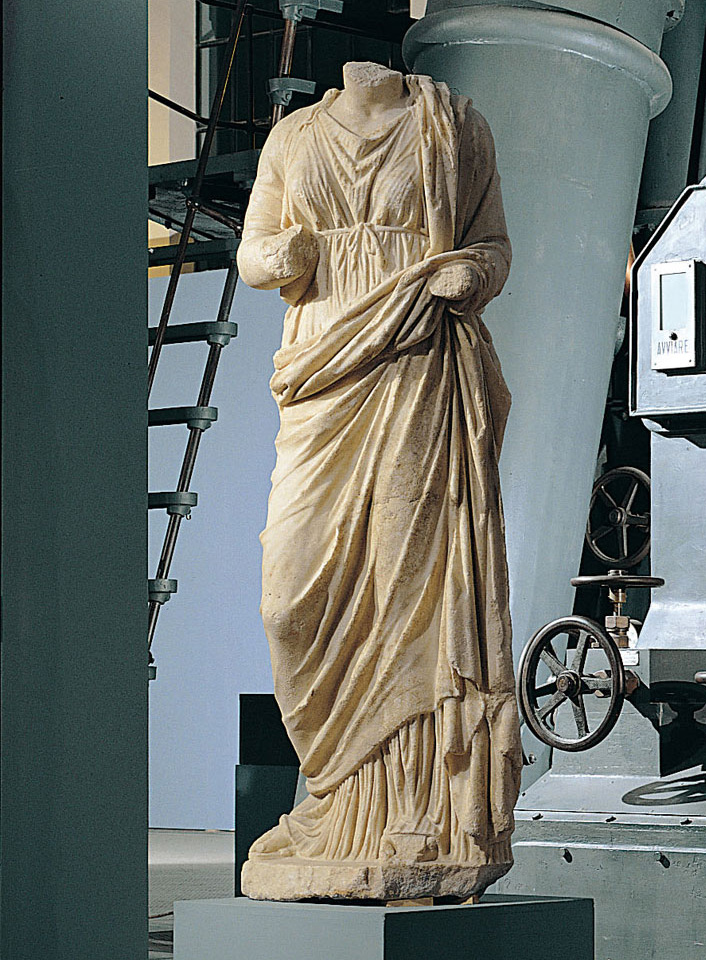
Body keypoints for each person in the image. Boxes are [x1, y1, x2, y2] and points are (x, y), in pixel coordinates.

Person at [235, 61, 519, 902]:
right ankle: (333, 799)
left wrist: (474, 274)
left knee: (410, 597)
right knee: (288, 604)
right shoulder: (293, 138)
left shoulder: (455, 126)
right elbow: (253, 251)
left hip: (417, 367)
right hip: (323, 373)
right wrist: (278, 255)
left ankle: (415, 813)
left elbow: (493, 245)